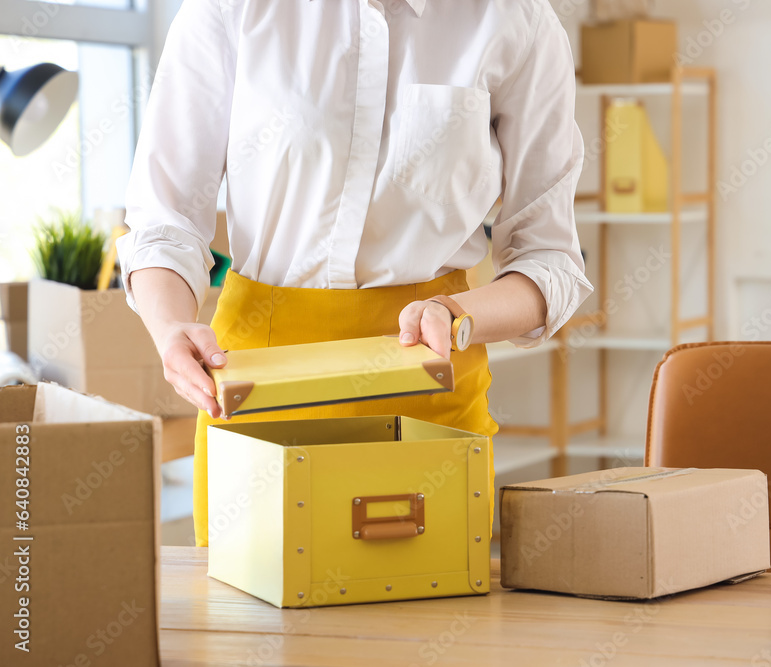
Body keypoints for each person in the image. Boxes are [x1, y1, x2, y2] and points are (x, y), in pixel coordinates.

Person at [117, 0, 593, 547]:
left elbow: (551, 258)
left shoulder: (519, 21)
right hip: (256, 396)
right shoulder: (232, 9)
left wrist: (457, 315)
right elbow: (164, 222)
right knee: (247, 626)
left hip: (429, 395)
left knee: (434, 621)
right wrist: (170, 325)